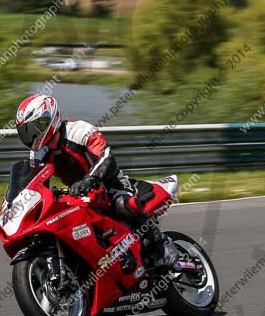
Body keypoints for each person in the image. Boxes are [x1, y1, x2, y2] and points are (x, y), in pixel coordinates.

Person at [15, 93, 178, 269]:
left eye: (34, 129)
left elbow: (106, 157)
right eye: (27, 132)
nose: (32, 136)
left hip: (111, 183)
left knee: (124, 204)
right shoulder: (38, 154)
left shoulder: (78, 131)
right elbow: (36, 183)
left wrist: (91, 179)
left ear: (50, 118)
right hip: (78, 194)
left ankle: (162, 245)